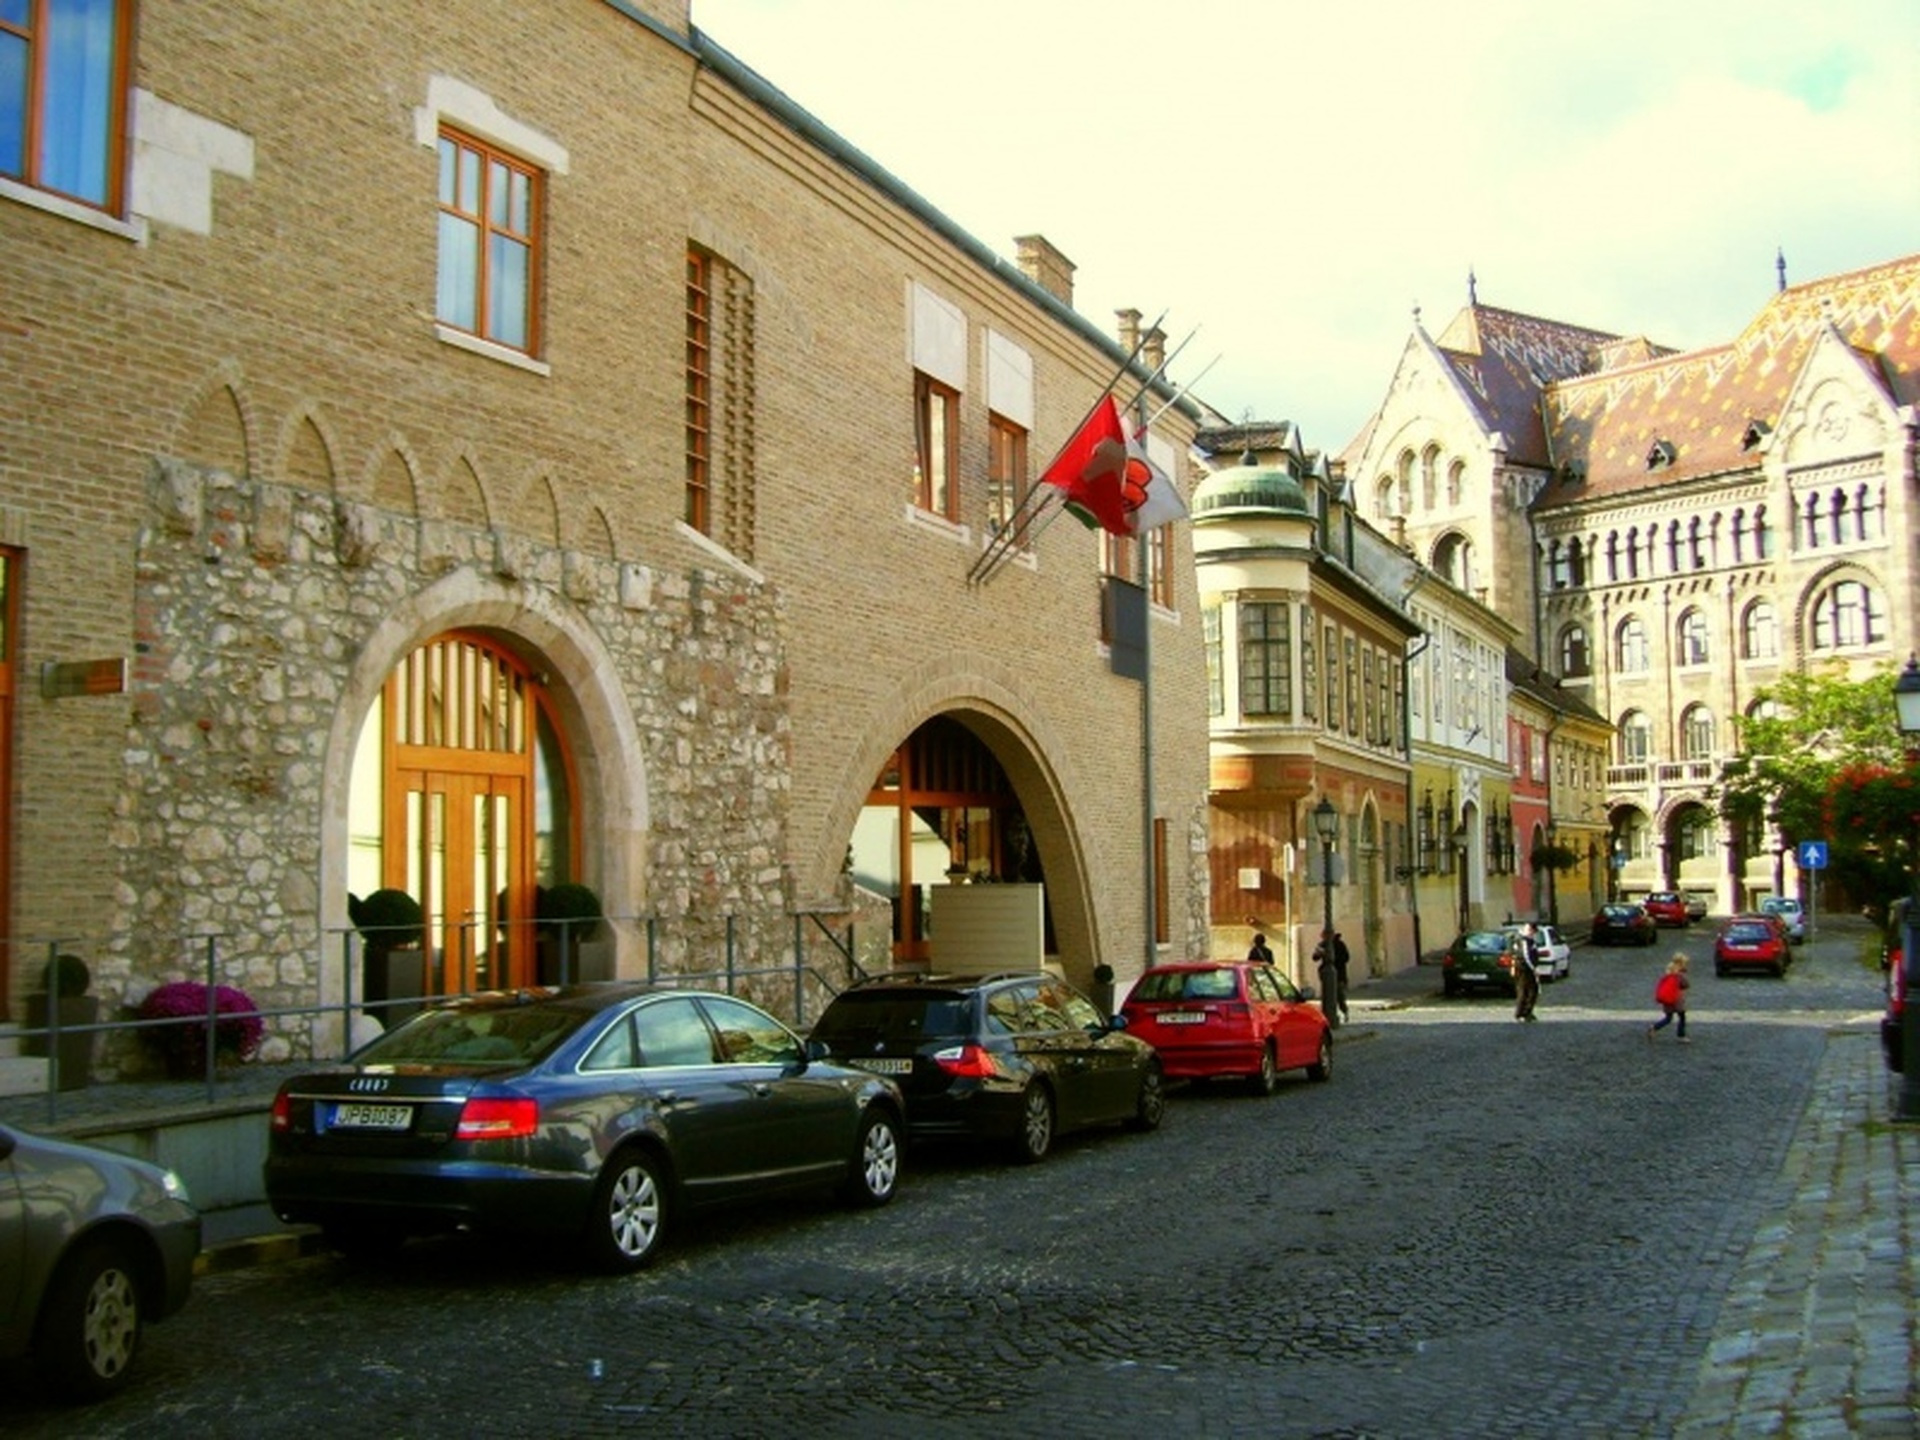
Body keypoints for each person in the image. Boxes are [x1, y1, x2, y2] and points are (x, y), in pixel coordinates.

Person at [1648, 953, 1690, 1042]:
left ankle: (1654, 1027)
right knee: (1682, 1017)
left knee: (1668, 1018)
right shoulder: (1679, 975)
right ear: (1681, 964)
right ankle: (1681, 1035)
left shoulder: (1668, 974)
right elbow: (1686, 984)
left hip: (1667, 1000)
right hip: (1677, 1000)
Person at [1513, 922, 1541, 1022]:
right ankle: (1521, 1013)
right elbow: (1526, 956)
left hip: (1527, 969)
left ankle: (1527, 1012)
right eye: (1532, 931)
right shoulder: (1523, 940)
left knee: (1532, 990)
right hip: (1524, 969)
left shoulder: (1529, 940)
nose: (1533, 934)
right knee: (1525, 991)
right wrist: (1534, 969)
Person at [1330, 931, 1351, 1022]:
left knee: (1339, 996)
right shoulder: (1323, 944)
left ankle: (1344, 1012)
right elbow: (1315, 957)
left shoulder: (1340, 944)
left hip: (1339, 974)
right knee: (1330, 997)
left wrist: (1335, 960)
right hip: (1328, 976)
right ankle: (1332, 1014)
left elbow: (1346, 957)